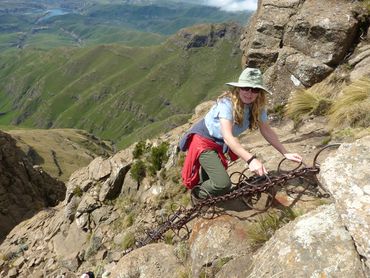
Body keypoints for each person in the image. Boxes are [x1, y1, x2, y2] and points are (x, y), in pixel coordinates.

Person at [179, 67, 302, 199]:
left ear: (259, 92)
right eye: (245, 88)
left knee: (214, 178)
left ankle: (208, 196)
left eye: (255, 90)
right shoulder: (227, 104)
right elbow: (227, 137)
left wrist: (285, 152)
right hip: (203, 141)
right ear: (239, 88)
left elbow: (266, 130)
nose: (249, 93)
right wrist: (251, 160)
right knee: (222, 185)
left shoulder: (257, 106)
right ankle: (197, 195)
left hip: (218, 144)